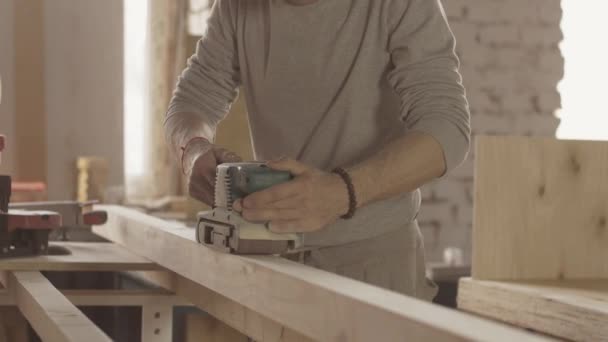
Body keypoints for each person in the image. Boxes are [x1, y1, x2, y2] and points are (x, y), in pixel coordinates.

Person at [165, 0, 470, 301]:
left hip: (373, 265)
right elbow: (192, 100)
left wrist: (341, 192)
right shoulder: (236, 7)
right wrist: (192, 149)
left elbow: (446, 130)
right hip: (272, 257)